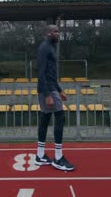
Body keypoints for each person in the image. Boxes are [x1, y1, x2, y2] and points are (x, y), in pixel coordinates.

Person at [34, 24, 75, 171]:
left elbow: (51, 74)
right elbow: (41, 73)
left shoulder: (51, 47)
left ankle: (40, 155)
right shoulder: (44, 47)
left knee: (45, 119)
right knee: (60, 116)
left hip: (51, 88)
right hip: (47, 90)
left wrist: (59, 90)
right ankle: (58, 158)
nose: (58, 33)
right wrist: (47, 95)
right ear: (48, 33)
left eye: (58, 31)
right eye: (55, 31)